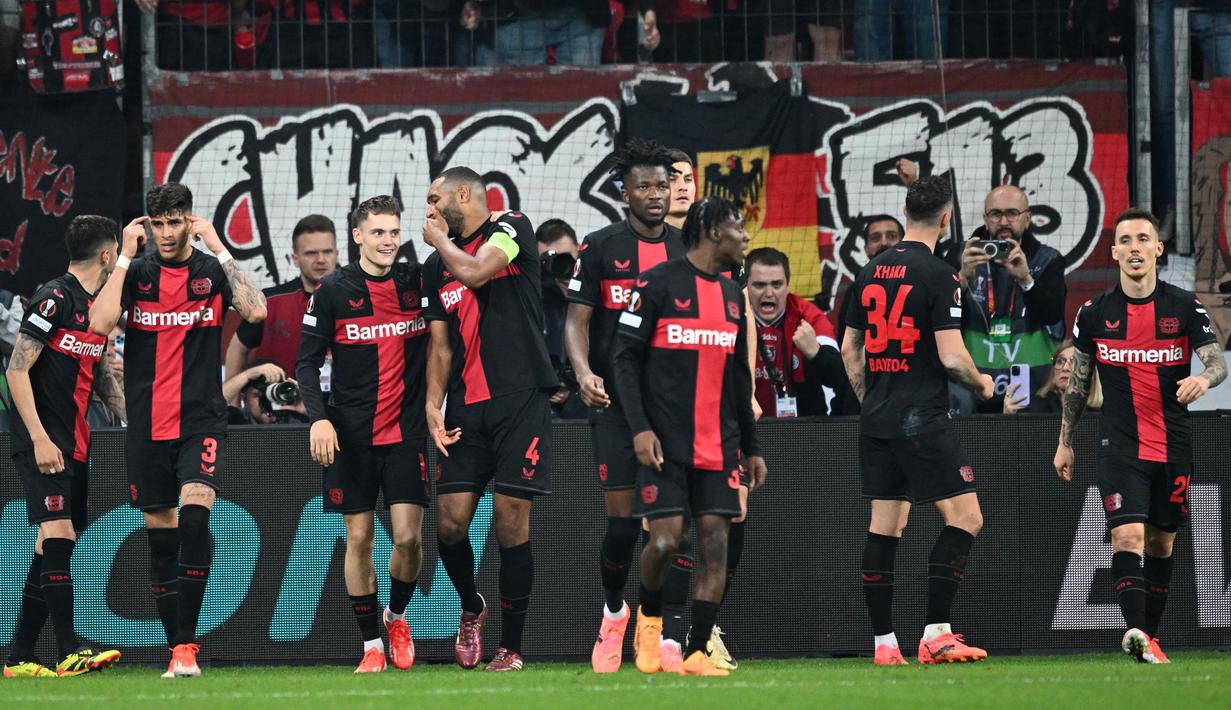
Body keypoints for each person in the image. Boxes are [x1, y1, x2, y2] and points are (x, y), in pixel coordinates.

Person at [89, 182, 268, 678]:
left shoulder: (211, 271)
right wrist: (123, 257)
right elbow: (100, 323)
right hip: (146, 425)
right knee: (162, 542)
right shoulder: (136, 273)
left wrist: (220, 247)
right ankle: (178, 651)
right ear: (148, 225)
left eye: (176, 222)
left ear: (190, 220)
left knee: (194, 522)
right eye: (159, 223)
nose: (167, 233)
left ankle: (186, 650)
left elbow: (256, 310)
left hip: (199, 420)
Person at [1054, 207, 1226, 664]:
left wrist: (1205, 379)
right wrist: (1065, 440)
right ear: (1114, 252)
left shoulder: (1185, 305)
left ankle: (1148, 637)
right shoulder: (1093, 313)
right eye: (1125, 240)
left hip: (1173, 443)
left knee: (1161, 543)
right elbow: (1077, 383)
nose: (1134, 247)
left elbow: (1217, 361)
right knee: (1126, 538)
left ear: (1158, 249)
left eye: (1142, 239)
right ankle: (1135, 634)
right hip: (1119, 444)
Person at [840, 175, 994, 666]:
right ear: (947, 220)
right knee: (967, 518)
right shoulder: (939, 275)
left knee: (885, 526)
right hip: (921, 419)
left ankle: (885, 643)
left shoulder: (867, 272)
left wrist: (870, 398)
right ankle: (935, 633)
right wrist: (983, 384)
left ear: (904, 211)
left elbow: (850, 349)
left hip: (877, 419)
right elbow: (951, 358)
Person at [613, 195, 768, 677]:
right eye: (739, 227)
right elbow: (622, 359)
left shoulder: (730, 294)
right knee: (663, 543)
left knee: (716, 546)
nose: (746, 237)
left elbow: (738, 379)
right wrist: (639, 428)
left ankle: (697, 650)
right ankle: (650, 622)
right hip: (665, 444)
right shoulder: (657, 284)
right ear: (715, 232)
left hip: (719, 445)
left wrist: (752, 446)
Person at [421, 167, 558, 672]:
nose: (429, 210)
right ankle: (472, 607)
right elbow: (439, 345)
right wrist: (433, 404)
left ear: (464, 194)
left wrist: (438, 240)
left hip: (520, 400)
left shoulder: (512, 226)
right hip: (465, 406)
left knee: (509, 523)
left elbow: (477, 272)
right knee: (451, 524)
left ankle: (512, 647)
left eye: (435, 199)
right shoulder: (434, 267)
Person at [564, 138, 686, 673]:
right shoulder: (599, 246)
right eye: (644, 186)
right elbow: (576, 322)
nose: (656, 194)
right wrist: (584, 372)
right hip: (614, 405)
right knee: (620, 526)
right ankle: (615, 613)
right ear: (624, 192)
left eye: (662, 184)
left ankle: (654, 628)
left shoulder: (688, 249)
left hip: (673, 411)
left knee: (668, 530)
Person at [295, 195, 430, 673]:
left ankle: (396, 616)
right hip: (349, 435)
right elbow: (306, 363)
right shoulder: (332, 291)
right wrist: (319, 418)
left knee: (409, 539)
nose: (388, 241)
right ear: (357, 237)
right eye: (378, 232)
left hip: (407, 432)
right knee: (359, 539)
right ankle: (372, 644)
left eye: (394, 232)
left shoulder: (417, 281)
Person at [4, 215, 125, 678]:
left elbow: (99, 373)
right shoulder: (53, 297)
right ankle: (69, 650)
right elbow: (16, 370)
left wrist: (129, 416)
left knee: (51, 546)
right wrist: (38, 438)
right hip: (44, 440)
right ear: (108, 255)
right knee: (60, 535)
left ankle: (19, 656)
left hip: (75, 441)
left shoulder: (96, 309)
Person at [954, 185, 1067, 413]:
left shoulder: (1048, 259)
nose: (1004, 221)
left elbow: (1053, 314)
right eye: (995, 214)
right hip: (973, 387)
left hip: (1034, 387)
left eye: (1012, 213)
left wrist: (1026, 280)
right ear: (986, 219)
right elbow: (943, 320)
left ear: (1027, 218)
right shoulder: (961, 255)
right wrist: (962, 279)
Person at [225, 214, 338, 381]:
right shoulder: (269, 301)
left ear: (337, 254)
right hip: (280, 402)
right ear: (295, 259)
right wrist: (233, 402)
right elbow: (238, 348)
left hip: (338, 405)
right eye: (311, 253)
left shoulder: (358, 301)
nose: (321, 260)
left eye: (327, 252)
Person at [745, 246, 843, 418]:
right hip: (745, 427)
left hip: (800, 429)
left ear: (788, 285)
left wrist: (817, 353)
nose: (769, 293)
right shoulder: (732, 317)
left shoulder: (808, 316)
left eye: (777, 284)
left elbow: (838, 378)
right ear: (747, 286)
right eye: (760, 285)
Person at [833, 215, 904, 415]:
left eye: (891, 236)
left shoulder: (923, 283)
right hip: (867, 388)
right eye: (875, 238)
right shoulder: (855, 292)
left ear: (904, 243)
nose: (884, 242)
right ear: (866, 249)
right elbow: (847, 348)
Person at [537, 219, 584, 418]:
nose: (561, 269)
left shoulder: (602, 294)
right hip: (538, 408)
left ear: (579, 251)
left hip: (589, 403)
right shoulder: (529, 302)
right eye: (551, 262)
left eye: (566, 259)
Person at [1003, 340, 1102, 415]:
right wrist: (1008, 418)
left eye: (1074, 362)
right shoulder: (1034, 409)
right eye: (1060, 361)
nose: (1065, 368)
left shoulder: (1102, 414)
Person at [224, 361, 305, 425]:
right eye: (258, 395)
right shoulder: (235, 419)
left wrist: (308, 407)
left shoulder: (296, 419)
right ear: (244, 399)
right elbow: (214, 407)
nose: (266, 400)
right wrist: (247, 375)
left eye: (271, 394)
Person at [665, 148, 696, 231]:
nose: (683, 187)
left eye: (688, 180)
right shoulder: (635, 241)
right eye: (671, 179)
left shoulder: (714, 240)